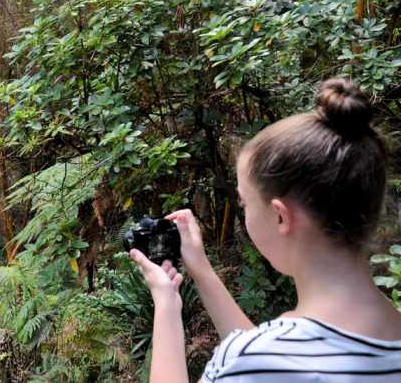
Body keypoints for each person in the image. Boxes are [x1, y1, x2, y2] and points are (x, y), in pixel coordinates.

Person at [130, 78, 401, 382]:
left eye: (244, 203)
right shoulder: (269, 358)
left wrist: (166, 307)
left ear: (280, 216)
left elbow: (260, 363)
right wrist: (202, 272)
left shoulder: (255, 360)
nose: (244, 213)